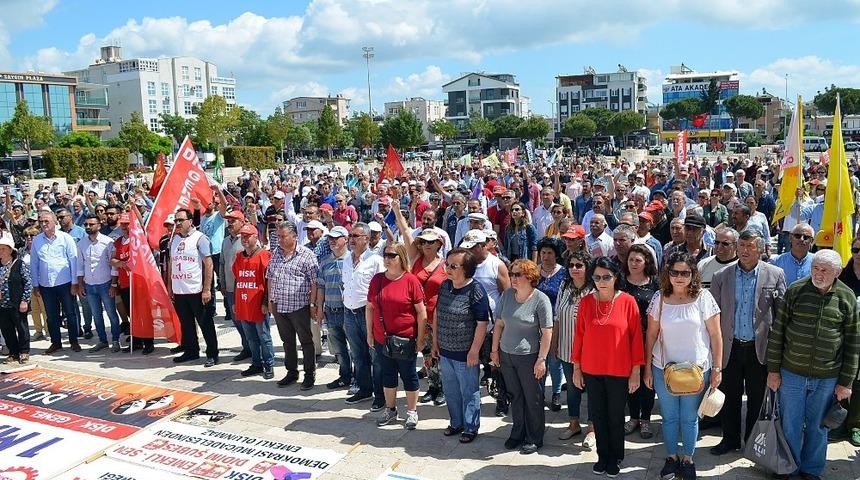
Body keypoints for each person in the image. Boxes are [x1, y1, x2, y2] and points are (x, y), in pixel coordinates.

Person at [767, 249, 860, 480]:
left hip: (827, 377)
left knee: (819, 427)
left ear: (837, 272)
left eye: (825, 270)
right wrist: (773, 370)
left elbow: (853, 342)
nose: (818, 274)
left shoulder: (847, 297)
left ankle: (811, 470)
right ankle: (789, 466)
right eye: (815, 268)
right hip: (792, 373)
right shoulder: (796, 290)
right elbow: (778, 332)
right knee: (790, 424)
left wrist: (846, 382)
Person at [643, 252, 722, 480]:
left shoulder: (704, 298)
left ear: (693, 274)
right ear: (668, 274)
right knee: (668, 417)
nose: (679, 277)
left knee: (689, 417)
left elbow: (716, 335)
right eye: (674, 272)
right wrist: (647, 367)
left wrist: (717, 369)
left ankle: (687, 459)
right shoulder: (659, 298)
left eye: (685, 272)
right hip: (663, 368)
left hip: (696, 371)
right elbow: (651, 335)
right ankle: (671, 457)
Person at [710, 229, 786, 456]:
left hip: (759, 348)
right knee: (729, 396)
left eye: (750, 246)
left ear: (761, 249)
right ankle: (730, 439)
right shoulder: (722, 276)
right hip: (730, 347)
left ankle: (753, 442)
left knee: (756, 398)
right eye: (741, 245)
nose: (744, 250)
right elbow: (713, 314)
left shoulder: (775, 274)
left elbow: (781, 313)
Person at [572, 256, 643, 477]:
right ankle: (603, 456)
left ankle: (615, 456)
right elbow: (579, 337)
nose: (601, 281)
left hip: (619, 370)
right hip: (592, 370)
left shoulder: (628, 301)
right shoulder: (585, 302)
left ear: (615, 277)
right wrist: (576, 368)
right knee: (598, 415)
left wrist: (635, 372)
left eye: (606, 277)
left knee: (615, 415)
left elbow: (636, 339)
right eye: (597, 277)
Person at [490, 259, 553, 455]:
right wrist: (494, 351)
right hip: (507, 355)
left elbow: (547, 331)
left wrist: (541, 359)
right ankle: (517, 432)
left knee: (532, 398)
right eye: (512, 274)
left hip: (529, 357)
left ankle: (534, 437)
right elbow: (499, 324)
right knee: (515, 396)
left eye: (518, 274)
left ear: (530, 277)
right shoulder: (507, 295)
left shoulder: (540, 299)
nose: (513, 278)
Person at [392, 199, 447, 406]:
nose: (425, 245)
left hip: (438, 315)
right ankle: (433, 387)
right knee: (425, 352)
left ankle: (442, 387)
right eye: (423, 241)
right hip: (418, 315)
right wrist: (397, 211)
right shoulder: (415, 259)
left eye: (430, 242)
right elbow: (406, 233)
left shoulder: (445, 265)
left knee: (438, 352)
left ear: (438, 244)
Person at [432, 248, 490, 443]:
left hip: (466, 354)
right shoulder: (445, 286)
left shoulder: (476, 290)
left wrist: (474, 351)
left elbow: (482, 323)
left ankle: (471, 427)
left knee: (469, 391)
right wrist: (435, 342)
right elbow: (437, 313)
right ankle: (456, 422)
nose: (447, 269)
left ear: (466, 269)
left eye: (453, 266)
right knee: (451, 391)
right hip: (446, 351)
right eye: (447, 264)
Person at [367, 242, 427, 430]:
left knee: (409, 375)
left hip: (406, 339)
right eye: (385, 255)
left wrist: (420, 338)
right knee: (388, 375)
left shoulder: (410, 280)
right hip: (382, 338)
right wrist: (369, 333)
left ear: (401, 258)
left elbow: (421, 312)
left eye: (392, 255)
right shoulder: (377, 280)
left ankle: (411, 411)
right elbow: (370, 308)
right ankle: (391, 409)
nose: (387, 259)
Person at [267, 221, 319, 390]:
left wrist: (312, 304)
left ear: (295, 236)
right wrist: (270, 300)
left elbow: (314, 282)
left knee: (305, 341)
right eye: (278, 237)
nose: (280, 240)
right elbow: (270, 277)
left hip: (299, 306)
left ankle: (309, 374)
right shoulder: (275, 253)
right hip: (279, 305)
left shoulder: (306, 255)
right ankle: (291, 372)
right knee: (287, 341)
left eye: (283, 236)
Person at [552, 251, 595, 447]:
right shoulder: (564, 286)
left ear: (587, 268)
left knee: (593, 390)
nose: (574, 269)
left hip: (589, 351)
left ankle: (592, 429)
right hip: (566, 348)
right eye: (571, 265)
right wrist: (554, 343)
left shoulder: (594, 291)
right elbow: (558, 317)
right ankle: (574, 423)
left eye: (579, 265)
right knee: (572, 387)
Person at [342, 222, 386, 409]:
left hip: (368, 313)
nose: (351, 240)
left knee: (375, 356)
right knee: (358, 355)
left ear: (366, 239)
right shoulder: (346, 259)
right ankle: (364, 389)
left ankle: (381, 394)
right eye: (350, 236)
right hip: (349, 313)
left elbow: (382, 288)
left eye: (356, 236)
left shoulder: (375, 260)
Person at [168, 208, 218, 367]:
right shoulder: (174, 240)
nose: (178, 223)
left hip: (196, 290)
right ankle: (191, 351)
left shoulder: (200, 238)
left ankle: (212, 354)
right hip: (179, 290)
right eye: (176, 220)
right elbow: (171, 265)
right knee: (186, 323)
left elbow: (208, 265)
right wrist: (170, 287)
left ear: (190, 221)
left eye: (181, 220)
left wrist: (207, 289)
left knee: (205, 323)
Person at [621, 244, 660, 440]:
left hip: (649, 339)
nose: (634, 263)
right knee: (630, 379)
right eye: (631, 260)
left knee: (647, 380)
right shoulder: (620, 283)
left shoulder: (656, 284)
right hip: (624, 340)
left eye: (638, 260)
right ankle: (633, 416)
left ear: (646, 262)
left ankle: (646, 418)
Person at [31, 210, 80, 353]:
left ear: (54, 222)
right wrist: (35, 284)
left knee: (70, 313)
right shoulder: (37, 240)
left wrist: (74, 282)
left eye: (46, 221)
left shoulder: (65, 238)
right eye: (41, 221)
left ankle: (74, 341)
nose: (43, 224)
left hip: (65, 283)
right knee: (51, 316)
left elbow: (73, 260)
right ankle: (56, 342)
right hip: (46, 285)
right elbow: (34, 263)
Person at [232, 223, 274, 379]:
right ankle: (256, 363)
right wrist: (235, 302)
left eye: (247, 236)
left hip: (258, 304)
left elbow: (269, 281)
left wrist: (265, 302)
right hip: (243, 303)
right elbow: (238, 279)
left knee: (264, 336)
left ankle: (269, 364)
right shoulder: (239, 257)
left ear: (256, 237)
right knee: (250, 338)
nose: (244, 239)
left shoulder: (264, 256)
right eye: (242, 236)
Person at [77, 213, 122, 352]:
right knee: (96, 315)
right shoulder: (81, 243)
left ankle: (115, 341)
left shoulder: (108, 242)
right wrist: (80, 285)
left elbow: (114, 265)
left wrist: (114, 284)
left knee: (111, 314)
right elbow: (80, 265)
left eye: (91, 224)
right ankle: (102, 340)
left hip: (106, 284)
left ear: (99, 225)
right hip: (90, 285)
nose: (88, 227)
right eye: (86, 225)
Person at [315, 226, 352, 389]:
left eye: (336, 238)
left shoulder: (352, 260)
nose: (332, 241)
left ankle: (359, 378)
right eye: (330, 238)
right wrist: (319, 308)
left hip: (349, 312)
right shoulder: (325, 262)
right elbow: (321, 287)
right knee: (339, 349)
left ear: (346, 239)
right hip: (331, 311)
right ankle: (345, 376)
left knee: (356, 348)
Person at [536, 237, 566, 411]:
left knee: (554, 360)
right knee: (539, 360)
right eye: (543, 253)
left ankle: (555, 393)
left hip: (555, 322)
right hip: (535, 323)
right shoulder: (534, 271)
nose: (546, 256)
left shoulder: (563, 273)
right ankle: (539, 393)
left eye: (549, 253)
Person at [0, 234, 31, 364]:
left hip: (17, 302)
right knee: (6, 329)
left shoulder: (18, 264)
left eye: (3, 249)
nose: (0, 251)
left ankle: (24, 352)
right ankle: (13, 352)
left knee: (21, 327)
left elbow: (28, 282)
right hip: (2, 304)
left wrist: (25, 300)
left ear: (10, 250)